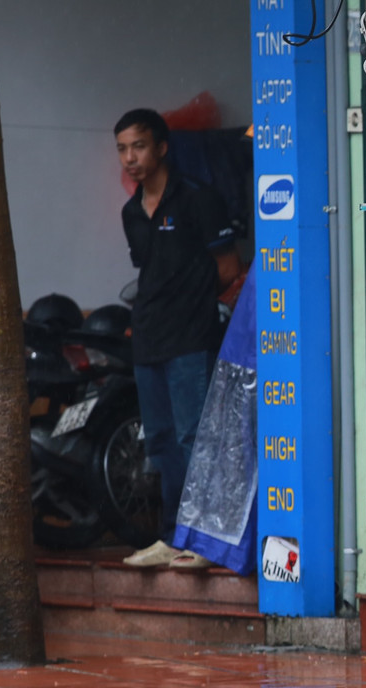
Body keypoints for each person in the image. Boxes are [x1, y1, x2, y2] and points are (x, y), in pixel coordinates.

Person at [114, 108, 241, 569]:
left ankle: (205, 541)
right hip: (148, 340)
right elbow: (150, 272)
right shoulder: (131, 212)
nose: (130, 157)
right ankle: (171, 536)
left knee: (196, 439)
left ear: (162, 147)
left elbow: (228, 268)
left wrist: (191, 305)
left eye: (139, 146)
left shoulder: (196, 198)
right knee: (162, 441)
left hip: (192, 337)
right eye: (123, 149)